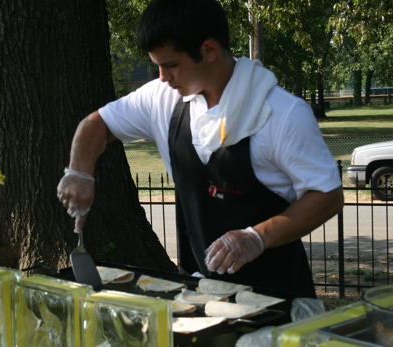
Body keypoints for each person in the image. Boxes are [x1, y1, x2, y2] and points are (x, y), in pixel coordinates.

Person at [57, 0, 343, 299]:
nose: (162, 78)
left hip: (277, 301)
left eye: (170, 65)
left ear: (208, 51)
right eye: (158, 66)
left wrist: (256, 237)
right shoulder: (161, 99)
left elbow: (328, 196)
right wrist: (79, 171)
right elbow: (96, 124)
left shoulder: (283, 114)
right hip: (201, 296)